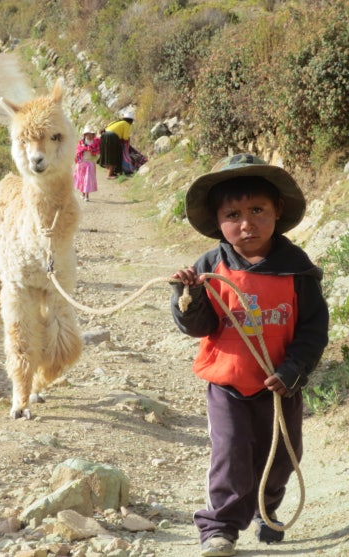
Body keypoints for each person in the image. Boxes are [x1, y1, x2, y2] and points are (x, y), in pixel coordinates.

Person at [170, 153, 329, 557]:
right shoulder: (211, 267)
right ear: (218, 222)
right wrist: (186, 298)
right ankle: (220, 528)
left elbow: (313, 328)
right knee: (231, 449)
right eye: (233, 214)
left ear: (277, 210)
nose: (246, 223)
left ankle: (267, 508)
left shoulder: (297, 270)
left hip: (280, 386)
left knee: (282, 455)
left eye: (257, 210)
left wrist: (293, 370)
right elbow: (199, 327)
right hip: (228, 382)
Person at [98, 110, 138, 179]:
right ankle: (110, 175)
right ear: (130, 121)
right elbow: (125, 138)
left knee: (108, 155)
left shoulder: (116, 122)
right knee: (114, 155)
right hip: (112, 137)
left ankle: (111, 172)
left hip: (104, 136)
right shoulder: (126, 124)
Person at [74, 127, 100, 201]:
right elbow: (77, 152)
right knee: (82, 179)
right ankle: (82, 194)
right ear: (85, 135)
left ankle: (87, 196)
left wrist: (92, 152)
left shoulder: (95, 144)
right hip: (82, 163)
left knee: (87, 179)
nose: (90, 136)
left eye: (91, 134)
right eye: (88, 134)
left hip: (90, 164)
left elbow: (97, 153)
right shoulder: (81, 143)